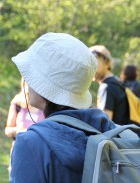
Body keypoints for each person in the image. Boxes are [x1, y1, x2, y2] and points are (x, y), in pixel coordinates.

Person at [10, 32, 116, 183]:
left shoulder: (31, 143)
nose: (26, 80)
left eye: (31, 74)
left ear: (43, 85)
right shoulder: (109, 132)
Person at [5, 78, 44, 173]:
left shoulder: (46, 105)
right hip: (19, 151)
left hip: (40, 154)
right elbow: (8, 130)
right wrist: (20, 131)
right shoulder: (17, 102)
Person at [90, 45, 130, 125]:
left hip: (116, 137)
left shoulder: (107, 87)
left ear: (107, 62)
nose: (91, 67)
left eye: (94, 62)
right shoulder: (117, 82)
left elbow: (104, 125)